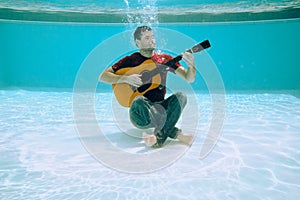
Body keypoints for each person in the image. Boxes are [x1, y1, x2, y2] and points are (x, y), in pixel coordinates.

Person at [99, 25, 196, 148]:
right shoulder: (130, 60)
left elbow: (189, 77)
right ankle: (177, 135)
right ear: (137, 42)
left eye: (153, 37)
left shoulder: (165, 59)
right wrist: (125, 78)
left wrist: (191, 65)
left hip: (161, 109)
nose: (152, 40)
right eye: (147, 38)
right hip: (140, 114)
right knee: (138, 99)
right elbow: (103, 76)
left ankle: (157, 138)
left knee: (181, 96)